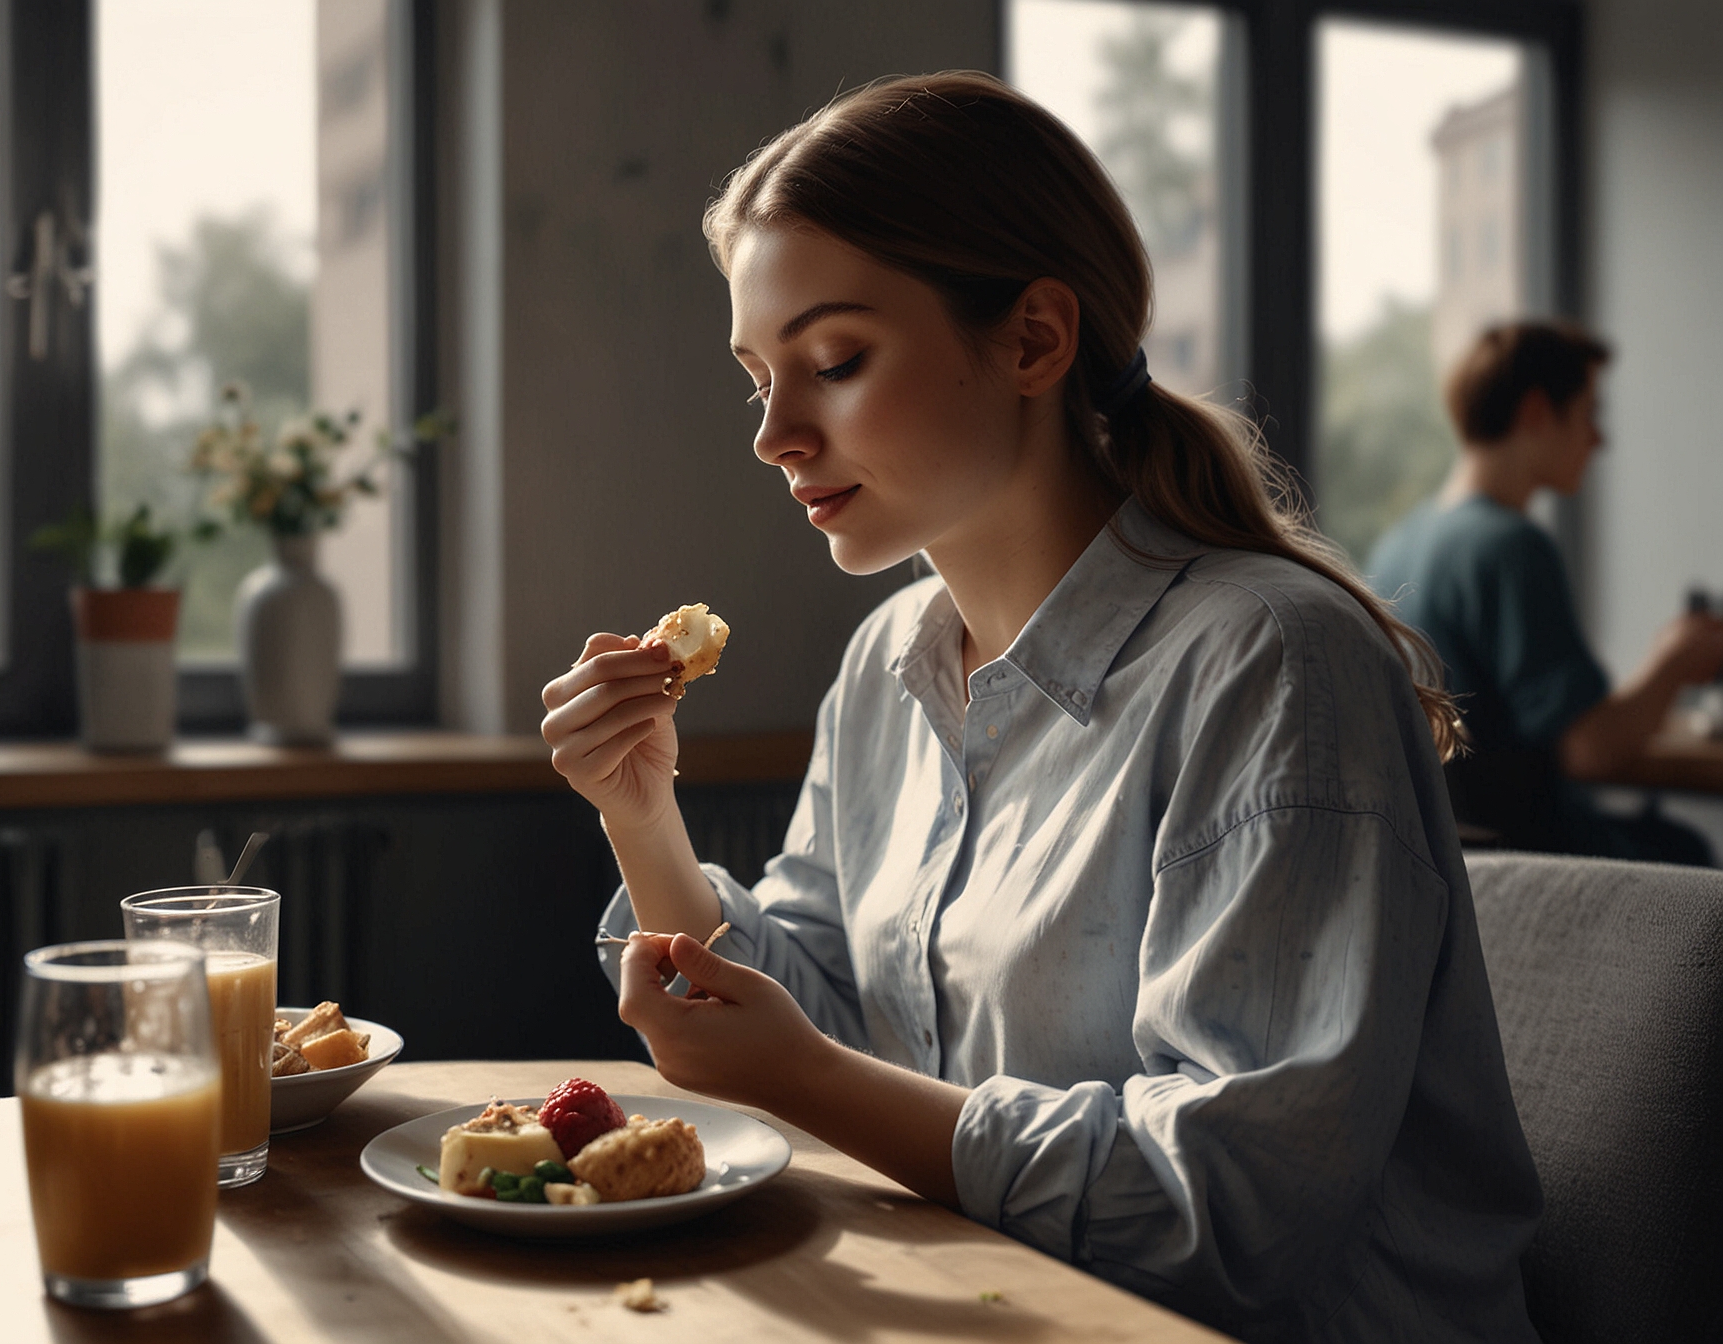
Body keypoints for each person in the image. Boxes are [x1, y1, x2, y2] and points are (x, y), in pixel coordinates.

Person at [541, 73, 1540, 1343]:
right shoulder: (892, 663)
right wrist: (640, 813)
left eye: (835, 361)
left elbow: (1235, 1209)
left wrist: (805, 1073)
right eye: (758, 378)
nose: (776, 434)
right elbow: (826, 1025)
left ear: (1031, 341)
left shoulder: (1272, 665)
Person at [1367, 321, 1723, 862]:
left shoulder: (1399, 544)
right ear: (1536, 412)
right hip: (1535, 858)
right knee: (1688, 850)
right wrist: (1673, 663)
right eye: (1589, 414)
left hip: (1453, 861)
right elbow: (1590, 752)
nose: (1599, 440)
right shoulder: (1510, 547)